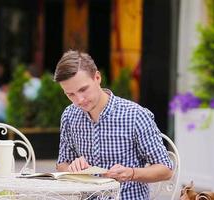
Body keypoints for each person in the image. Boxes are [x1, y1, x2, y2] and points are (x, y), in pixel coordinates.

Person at [53, 50, 173, 199]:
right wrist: (73, 167)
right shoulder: (69, 115)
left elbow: (166, 170)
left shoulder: (135, 115)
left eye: (83, 89)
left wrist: (132, 173)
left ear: (97, 77)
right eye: (70, 94)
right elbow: (61, 164)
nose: (79, 100)